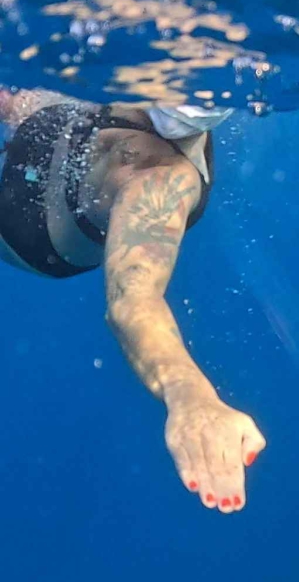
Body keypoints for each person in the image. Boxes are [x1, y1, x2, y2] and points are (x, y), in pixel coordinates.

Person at [0, 88, 265, 514]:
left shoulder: (160, 181)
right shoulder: (148, 86)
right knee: (19, 103)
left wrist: (190, 395)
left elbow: (134, 302)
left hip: (26, 231)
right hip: (62, 131)